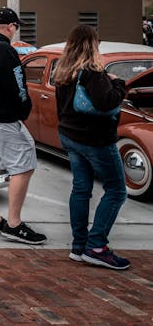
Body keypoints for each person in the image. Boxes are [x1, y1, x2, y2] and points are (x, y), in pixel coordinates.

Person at [54, 24, 129, 270]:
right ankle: (96, 246)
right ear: (92, 44)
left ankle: (79, 246)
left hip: (70, 136)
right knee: (117, 190)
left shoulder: (62, 71)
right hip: (96, 140)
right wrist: (119, 85)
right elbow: (107, 103)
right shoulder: (93, 73)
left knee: (81, 189)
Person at [0, 7, 45, 245]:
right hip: (4, 119)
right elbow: (18, 85)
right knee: (23, 168)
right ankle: (14, 224)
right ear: (11, 27)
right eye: (15, 27)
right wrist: (23, 110)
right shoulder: (4, 50)